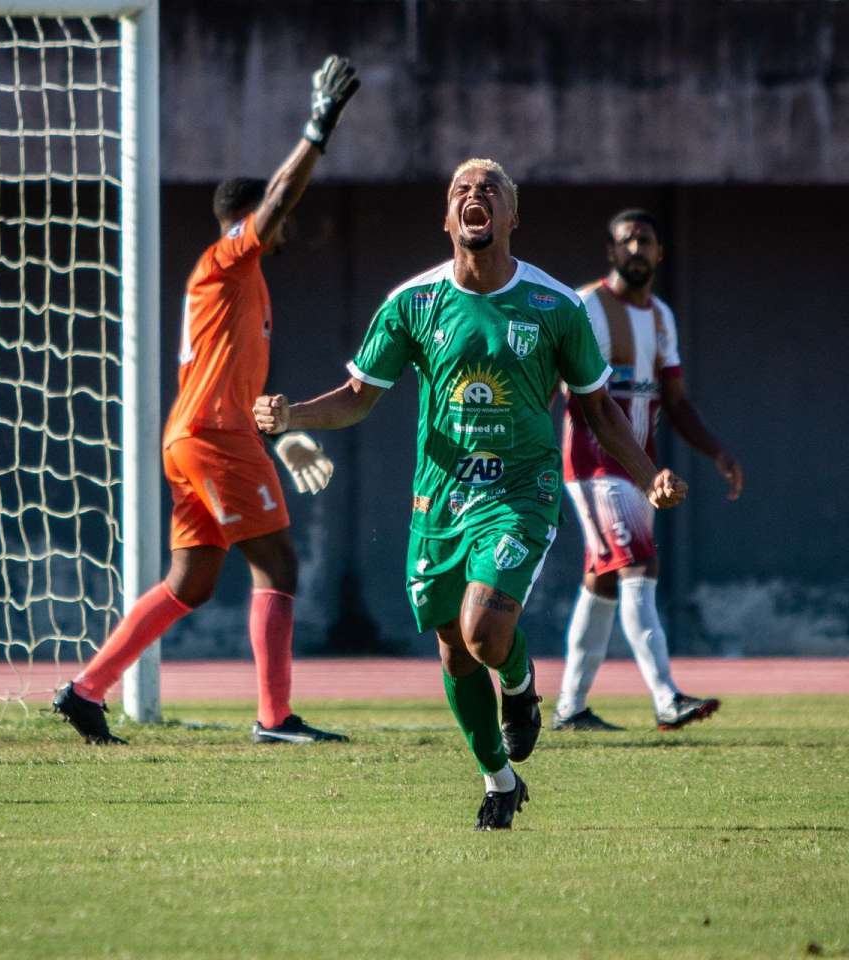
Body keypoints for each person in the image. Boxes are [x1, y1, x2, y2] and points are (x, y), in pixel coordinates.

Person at [253, 161, 687, 829]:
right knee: (453, 647)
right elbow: (360, 396)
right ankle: (499, 780)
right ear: (447, 219)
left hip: (522, 490)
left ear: (512, 217)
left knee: (485, 632)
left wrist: (645, 472)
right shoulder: (414, 304)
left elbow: (598, 410)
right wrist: (294, 415)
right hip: (440, 502)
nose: (474, 195)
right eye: (461, 190)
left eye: (490, 189)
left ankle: (520, 687)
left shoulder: (554, 307)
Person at [52, 55, 361, 746]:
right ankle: (274, 720)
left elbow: (230, 376)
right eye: (271, 220)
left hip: (199, 435)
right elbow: (279, 200)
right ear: (250, 221)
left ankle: (85, 690)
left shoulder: (238, 283)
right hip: (213, 438)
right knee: (278, 564)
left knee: (191, 584)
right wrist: (318, 125)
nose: (282, 231)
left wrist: (282, 429)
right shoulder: (228, 257)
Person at [552, 208, 744, 733]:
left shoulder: (661, 316)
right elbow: (554, 382)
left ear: (660, 254)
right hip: (592, 468)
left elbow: (676, 401)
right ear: (611, 252)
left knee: (603, 584)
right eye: (626, 241)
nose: (636, 249)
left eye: (645, 241)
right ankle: (666, 699)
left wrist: (715, 451)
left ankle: (570, 708)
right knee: (639, 567)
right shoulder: (587, 305)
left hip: (641, 471)